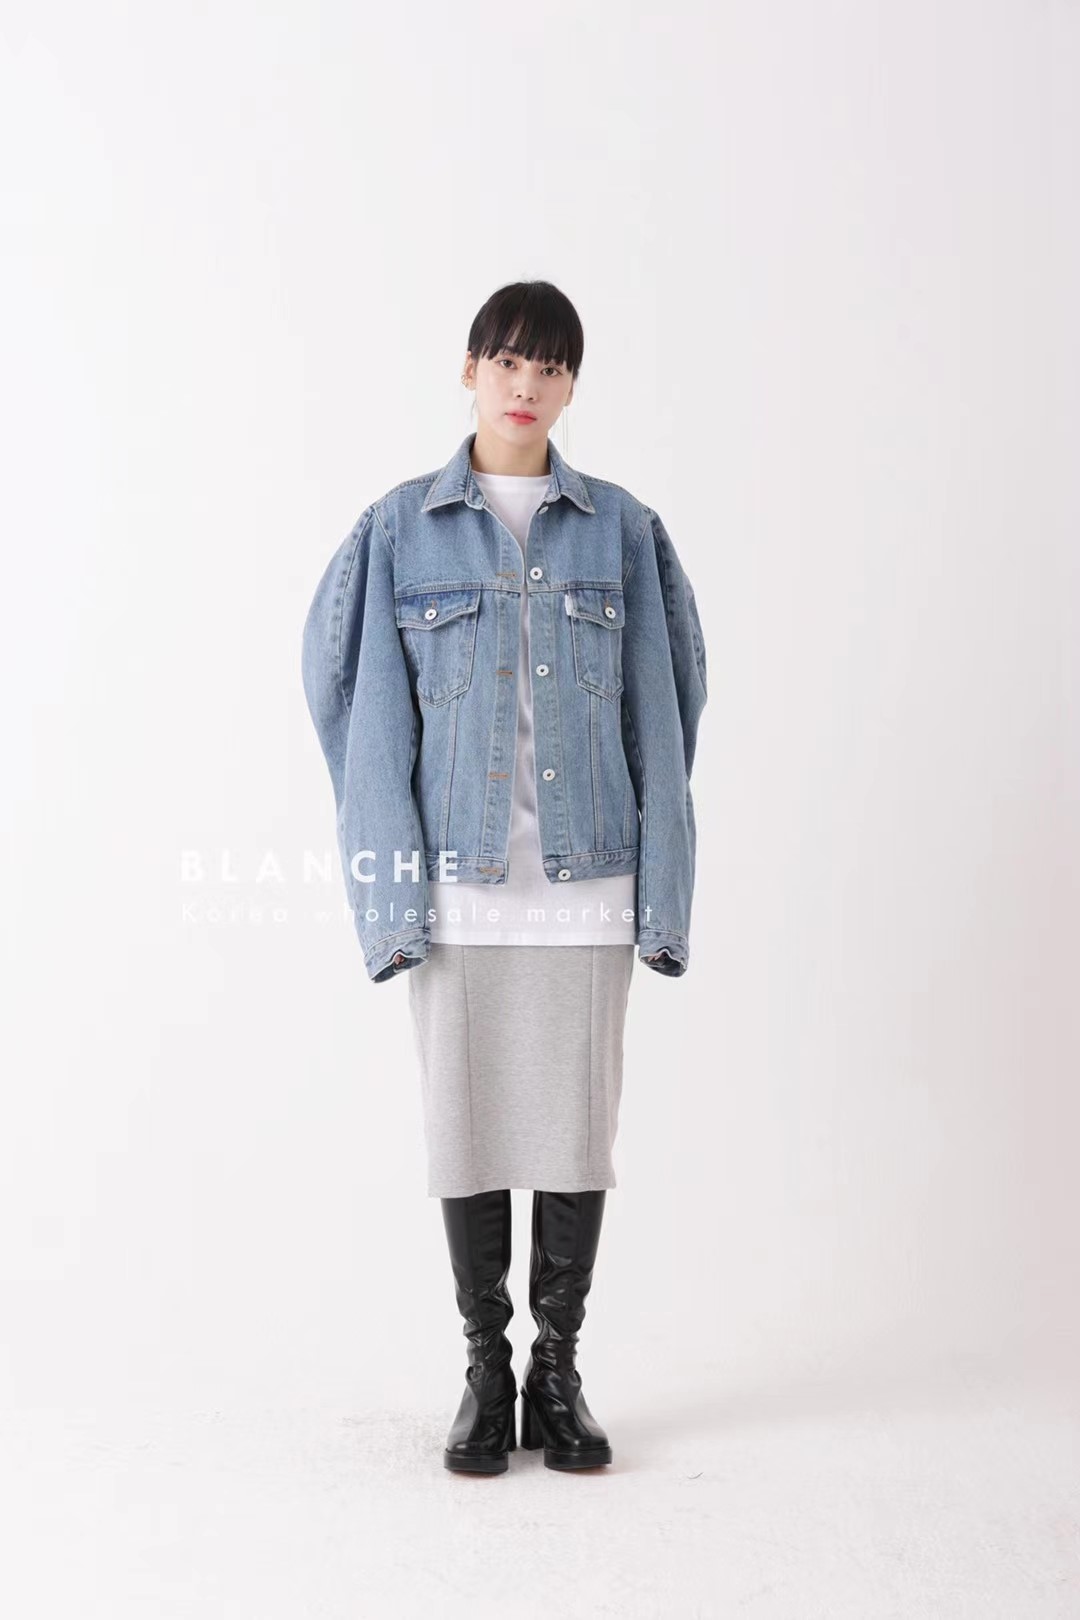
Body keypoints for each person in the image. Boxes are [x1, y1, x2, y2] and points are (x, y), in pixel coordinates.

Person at [301, 279, 708, 1475]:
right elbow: (359, 715)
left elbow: (667, 711)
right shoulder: (398, 529)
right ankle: (487, 1369)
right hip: (457, 890)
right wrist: (388, 893)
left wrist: (663, 889)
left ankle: (558, 1374)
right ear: (470, 370)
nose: (527, 386)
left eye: (551, 367)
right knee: (466, 1133)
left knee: (577, 1135)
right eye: (508, 361)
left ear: (572, 386)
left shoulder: (622, 529)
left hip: (589, 885)